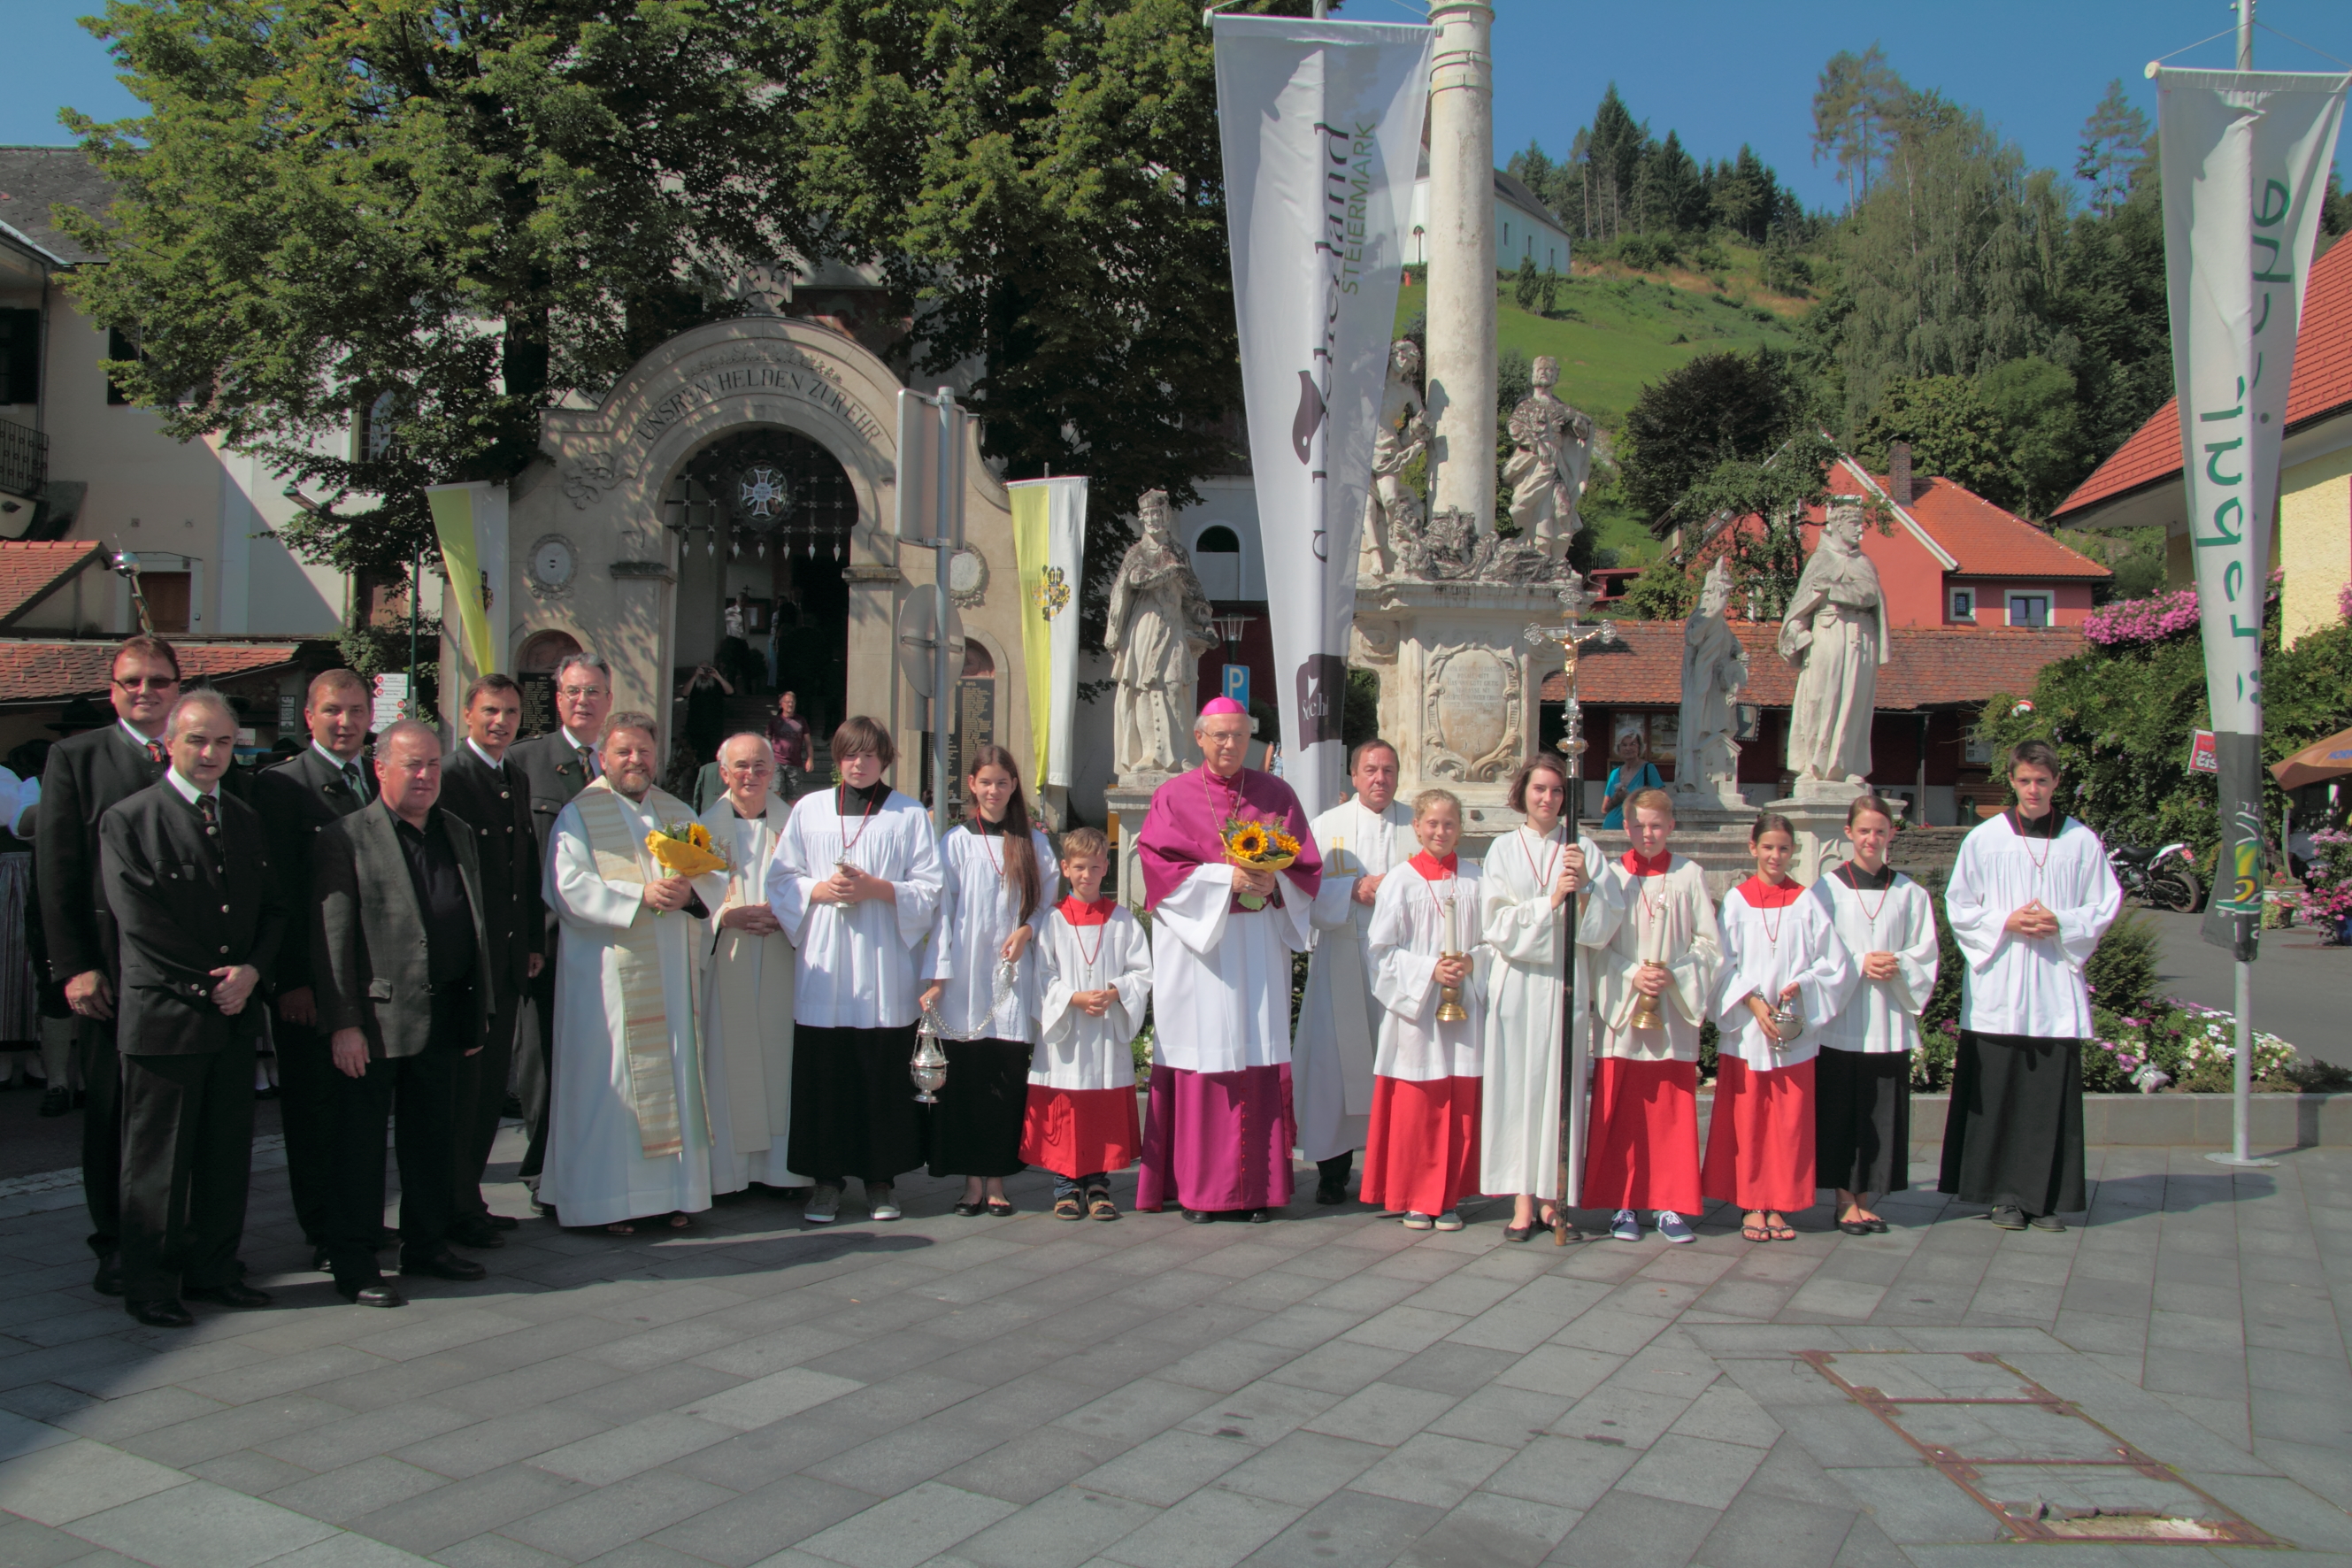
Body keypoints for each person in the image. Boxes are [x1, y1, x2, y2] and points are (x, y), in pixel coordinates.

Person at [100, 691, 288, 1326]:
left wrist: (253, 971)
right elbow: (142, 924)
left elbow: (272, 908)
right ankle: (150, 1283)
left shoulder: (244, 819)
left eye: (224, 743)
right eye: (198, 740)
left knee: (223, 1155)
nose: (211, 754)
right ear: (169, 744)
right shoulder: (131, 819)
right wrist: (214, 985)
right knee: (158, 1162)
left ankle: (214, 1268)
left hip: (233, 1016)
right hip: (166, 1020)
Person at [309, 721, 496, 1306]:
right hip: (375, 1022)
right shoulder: (346, 837)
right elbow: (332, 937)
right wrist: (344, 1024)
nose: (424, 776)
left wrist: (477, 1010)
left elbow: (473, 920)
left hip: (445, 1011)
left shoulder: (455, 830)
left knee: (433, 1138)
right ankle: (355, 1261)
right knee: (360, 1148)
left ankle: (427, 1244)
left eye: (433, 765)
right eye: (412, 765)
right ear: (380, 768)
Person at [542, 712, 731, 1234]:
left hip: (670, 978)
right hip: (606, 981)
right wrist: (638, 895)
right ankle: (606, 1202)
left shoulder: (677, 813)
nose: (635, 761)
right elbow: (566, 886)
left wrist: (690, 893)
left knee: (674, 1076)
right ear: (603, 756)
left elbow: (714, 875)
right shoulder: (579, 816)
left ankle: (672, 1195)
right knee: (611, 1086)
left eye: (644, 751)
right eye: (624, 751)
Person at [1134, 696, 1321, 1222]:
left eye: (1239, 735)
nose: (1230, 745)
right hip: (1201, 953)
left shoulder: (1276, 794)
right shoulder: (1173, 796)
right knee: (1205, 1056)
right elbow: (1158, 869)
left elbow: (1306, 866)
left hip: (1257, 944)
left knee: (1256, 1055)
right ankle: (1200, 1191)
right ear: (1199, 738)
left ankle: (1257, 1191)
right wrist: (1226, 879)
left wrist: (1275, 882)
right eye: (1219, 735)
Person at [36, 634, 180, 1296]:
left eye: (158, 680)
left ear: (178, 688)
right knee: (115, 1114)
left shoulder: (200, 752)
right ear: (112, 691)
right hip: (112, 974)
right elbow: (57, 871)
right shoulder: (77, 758)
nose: (146, 691)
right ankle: (116, 1242)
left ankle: (176, 1237)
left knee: (180, 1117)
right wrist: (74, 966)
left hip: (187, 974)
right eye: (132, 682)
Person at [765, 716, 945, 1226]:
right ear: (837, 759)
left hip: (883, 964)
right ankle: (825, 1183)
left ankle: (880, 1181)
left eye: (868, 754)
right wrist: (818, 890)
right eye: (849, 754)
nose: (858, 763)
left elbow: (929, 889)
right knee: (825, 1074)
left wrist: (877, 889)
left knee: (880, 1074)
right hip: (825, 962)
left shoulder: (908, 814)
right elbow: (781, 877)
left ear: (884, 757)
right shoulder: (810, 809)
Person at [1939, 741, 2121, 1232]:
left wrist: (2062, 922)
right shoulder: (1985, 839)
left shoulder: (2081, 841)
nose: (2033, 789)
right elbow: (1960, 905)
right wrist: (2007, 921)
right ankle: (2003, 1196)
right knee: (1998, 1093)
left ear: (2056, 781)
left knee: (2045, 1100)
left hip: (2053, 986)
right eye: (2024, 781)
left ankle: (2044, 1199)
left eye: (2042, 780)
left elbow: (2105, 903)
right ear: (2012, 782)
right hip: (2001, 984)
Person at [251, 669, 381, 1268]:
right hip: (310, 981)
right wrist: (290, 981)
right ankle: (324, 1229)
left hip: (370, 980)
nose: (345, 722)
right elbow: (276, 892)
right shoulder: (280, 787)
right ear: (309, 716)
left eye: (356, 710)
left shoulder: (377, 777)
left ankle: (359, 1222)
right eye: (332, 710)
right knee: (314, 1112)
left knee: (361, 1114)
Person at [1579, 788, 1721, 1244]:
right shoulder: (1612, 877)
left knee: (1670, 1112)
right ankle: (1622, 1202)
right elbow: (1595, 946)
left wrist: (1673, 974)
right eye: (1639, 825)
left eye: (1656, 825)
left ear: (1671, 826)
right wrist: (1632, 975)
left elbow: (1710, 945)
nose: (1647, 833)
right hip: (1623, 1012)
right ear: (1625, 827)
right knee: (1620, 1108)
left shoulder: (1689, 875)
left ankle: (1669, 1202)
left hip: (1671, 1011)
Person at [921, 746, 1057, 1216]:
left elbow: (1047, 904)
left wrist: (1027, 930)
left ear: (1014, 785)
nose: (994, 791)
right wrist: (938, 978)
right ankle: (970, 1183)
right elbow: (942, 913)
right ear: (972, 786)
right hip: (965, 978)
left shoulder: (1034, 843)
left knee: (1004, 1080)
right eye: (985, 782)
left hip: (1012, 975)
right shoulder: (956, 842)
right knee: (966, 1080)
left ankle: (996, 1179)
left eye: (1002, 782)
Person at [1705, 813, 1853, 1243]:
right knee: (1750, 1119)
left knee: (1788, 1121)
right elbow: (1721, 965)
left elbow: (1834, 964)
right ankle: (1753, 1203)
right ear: (1753, 848)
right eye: (1768, 847)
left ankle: (1780, 1202)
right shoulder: (1737, 902)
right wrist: (1752, 1000)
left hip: (1791, 1028)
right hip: (1749, 1029)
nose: (1775, 856)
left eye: (1784, 848)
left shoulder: (1805, 902)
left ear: (1793, 852)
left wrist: (1802, 983)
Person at [435, 673, 544, 1242]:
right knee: (459, 1094)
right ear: (468, 714)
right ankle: (448, 1205)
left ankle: (468, 1199)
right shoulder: (450, 776)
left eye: (510, 712)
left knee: (484, 1097)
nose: (501, 722)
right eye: (490, 711)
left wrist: (531, 941)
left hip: (506, 962)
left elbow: (523, 867)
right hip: (467, 963)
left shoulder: (514, 776)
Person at [1479, 753, 1600, 1242]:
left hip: (1564, 981)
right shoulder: (1503, 849)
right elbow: (1496, 923)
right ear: (1522, 793)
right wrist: (1551, 903)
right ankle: (1522, 1198)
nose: (1548, 798)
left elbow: (1603, 924)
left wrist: (1585, 888)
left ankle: (1553, 1195)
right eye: (1539, 789)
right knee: (1517, 1087)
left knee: (1559, 1085)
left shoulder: (1583, 848)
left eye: (1556, 790)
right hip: (1519, 982)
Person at [509, 652, 614, 1201]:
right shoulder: (525, 761)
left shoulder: (620, 762)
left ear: (609, 701)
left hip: (606, 939)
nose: (582, 701)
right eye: (573, 691)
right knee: (543, 1059)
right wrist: (526, 937)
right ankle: (541, 1168)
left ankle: (587, 1159)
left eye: (593, 691)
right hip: (546, 939)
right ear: (557, 699)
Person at [1810, 796, 1941, 1235]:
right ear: (1849, 833)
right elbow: (1813, 951)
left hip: (1887, 1018)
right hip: (1841, 1020)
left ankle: (1866, 1198)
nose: (1872, 839)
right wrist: (1859, 963)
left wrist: (1899, 964)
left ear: (1892, 834)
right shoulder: (1825, 890)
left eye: (1880, 831)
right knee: (1841, 1110)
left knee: (1879, 1112)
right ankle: (1843, 1200)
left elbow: (1925, 952)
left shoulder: (1910, 893)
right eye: (1864, 830)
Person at [1295, 738, 1413, 1204]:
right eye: (1370, 770)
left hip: (1400, 966)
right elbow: (1304, 891)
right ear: (1353, 775)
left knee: (1398, 1064)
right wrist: (1351, 891)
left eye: (1388, 770)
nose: (1379, 778)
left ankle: (1397, 1169)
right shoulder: (1327, 826)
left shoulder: (1417, 824)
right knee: (1333, 1066)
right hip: (1341, 956)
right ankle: (1332, 1171)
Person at [1361, 789, 1485, 1231]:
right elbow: (1380, 952)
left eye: (1449, 824)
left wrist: (1471, 962)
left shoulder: (1477, 880)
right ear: (1416, 826)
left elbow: (1494, 944)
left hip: (1465, 1010)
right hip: (1416, 1014)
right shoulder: (1400, 881)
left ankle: (1449, 1197)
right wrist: (1430, 969)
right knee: (1418, 1106)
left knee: (1460, 1103)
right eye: (1432, 823)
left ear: (1460, 829)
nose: (1440, 831)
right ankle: (1415, 1195)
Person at [1024, 827, 1149, 1220]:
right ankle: (1065, 1185)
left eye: (1095, 867)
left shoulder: (1123, 921)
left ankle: (1097, 1185)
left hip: (1105, 1030)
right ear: (1065, 868)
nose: (1087, 875)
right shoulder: (1053, 921)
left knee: (1100, 1107)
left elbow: (1142, 972)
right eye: (1079, 867)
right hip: (1067, 1031)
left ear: (1106, 868)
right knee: (1067, 1105)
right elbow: (1042, 975)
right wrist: (1074, 998)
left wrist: (1115, 992)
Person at [698, 733, 804, 1194]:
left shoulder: (795, 826)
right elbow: (689, 899)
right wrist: (725, 915)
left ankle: (781, 1171)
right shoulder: (700, 829)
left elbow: (813, 885)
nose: (751, 775)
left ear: (773, 772)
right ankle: (729, 1174)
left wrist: (789, 913)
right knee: (728, 1062)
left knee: (782, 1060)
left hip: (783, 957)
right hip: (729, 958)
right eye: (741, 766)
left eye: (761, 766)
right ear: (724, 772)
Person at [1598, 729, 1660, 831]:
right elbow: (1604, 809)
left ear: (1639, 747)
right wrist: (1616, 799)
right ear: (1619, 749)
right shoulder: (1615, 773)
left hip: (1636, 830)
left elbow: (1661, 799)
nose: (1628, 748)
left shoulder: (1648, 769)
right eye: (1624, 745)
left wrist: (1631, 798)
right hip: (1610, 830)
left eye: (1633, 744)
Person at [679, 662, 734, 766]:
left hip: (714, 726)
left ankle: (712, 775)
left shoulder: (717, 683)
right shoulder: (694, 683)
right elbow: (685, 694)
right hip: (696, 726)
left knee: (714, 754)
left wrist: (718, 676)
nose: (705, 672)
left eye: (707, 669)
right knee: (698, 756)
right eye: (703, 669)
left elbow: (730, 692)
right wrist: (695, 676)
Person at [767, 691, 811, 800]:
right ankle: (776, 811)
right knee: (776, 790)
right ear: (781, 704)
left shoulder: (801, 720)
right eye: (787, 702)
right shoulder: (775, 721)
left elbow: (808, 742)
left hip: (795, 762)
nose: (790, 704)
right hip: (777, 761)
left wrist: (810, 759)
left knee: (794, 795)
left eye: (792, 702)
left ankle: (791, 811)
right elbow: (766, 741)